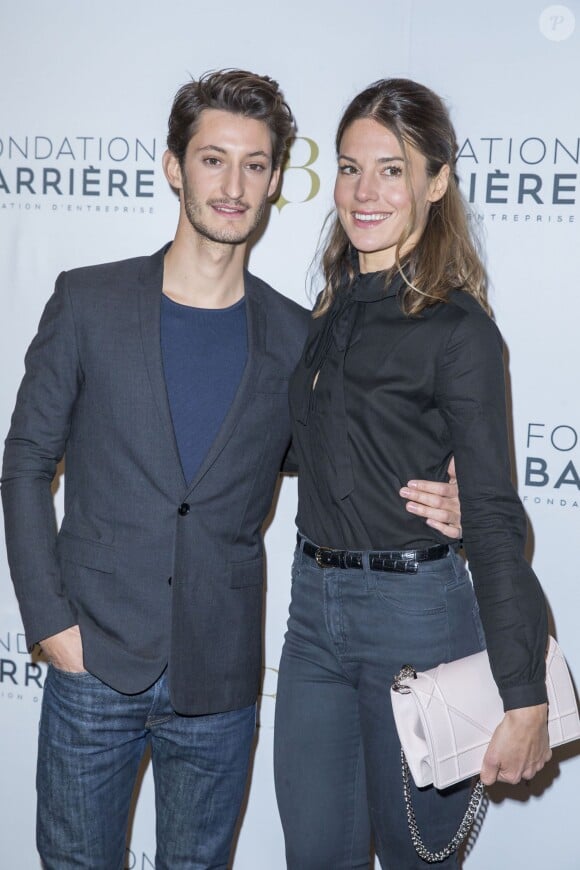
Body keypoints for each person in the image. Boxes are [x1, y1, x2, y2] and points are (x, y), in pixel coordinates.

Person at [1, 70, 460, 869]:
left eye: (255, 164)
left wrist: (451, 501)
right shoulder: (88, 302)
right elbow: (26, 460)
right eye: (213, 160)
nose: (233, 184)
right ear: (175, 166)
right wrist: (49, 624)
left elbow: (337, 464)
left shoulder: (296, 334)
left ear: (278, 179)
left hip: (221, 681)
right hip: (94, 664)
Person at [274, 78, 551, 869]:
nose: (364, 192)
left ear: (437, 182)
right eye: (351, 167)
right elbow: (320, 451)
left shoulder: (460, 330)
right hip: (310, 621)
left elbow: (495, 517)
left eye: (392, 170)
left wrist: (523, 695)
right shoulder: (330, 313)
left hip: (415, 622)